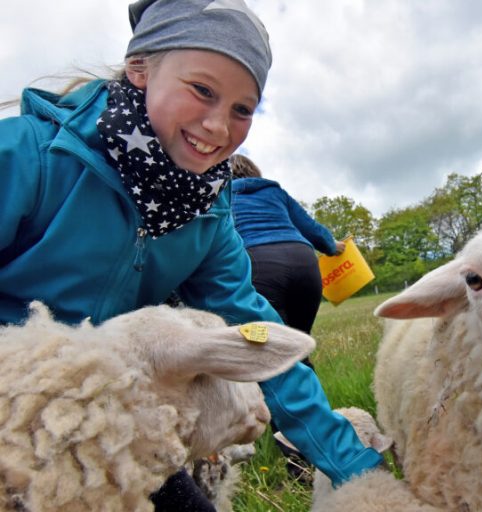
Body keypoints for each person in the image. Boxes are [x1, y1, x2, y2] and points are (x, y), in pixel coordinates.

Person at [0, 1, 382, 510]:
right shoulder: (28, 157)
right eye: (203, 91)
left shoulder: (205, 218)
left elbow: (262, 346)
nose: (219, 127)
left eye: (242, 109)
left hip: (106, 425)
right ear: (141, 67)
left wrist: (359, 473)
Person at [230, 154, 345, 338]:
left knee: (271, 344)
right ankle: (303, 366)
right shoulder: (275, 192)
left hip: (259, 263)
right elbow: (310, 227)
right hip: (304, 261)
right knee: (300, 342)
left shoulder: (221, 196)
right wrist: (332, 245)